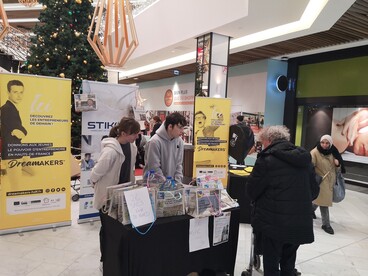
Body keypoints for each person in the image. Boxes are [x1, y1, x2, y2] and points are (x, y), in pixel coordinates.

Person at [246, 125, 319, 276]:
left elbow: (252, 191)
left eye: (263, 142)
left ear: (270, 140)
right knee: (289, 261)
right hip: (299, 222)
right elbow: (314, 191)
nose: (263, 145)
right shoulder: (305, 159)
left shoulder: (266, 160)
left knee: (271, 263)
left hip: (273, 223)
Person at [90, 117, 140, 270]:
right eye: (134, 134)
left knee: (120, 231)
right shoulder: (110, 151)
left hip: (123, 196)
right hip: (107, 199)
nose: (137, 137)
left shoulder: (132, 148)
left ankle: (118, 260)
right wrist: (99, 187)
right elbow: (95, 174)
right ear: (124, 133)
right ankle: (104, 259)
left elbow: (130, 170)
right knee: (107, 231)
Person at [310, 134, 345, 235]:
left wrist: (338, 165)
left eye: (327, 143)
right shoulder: (314, 153)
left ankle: (309, 210)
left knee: (319, 200)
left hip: (330, 181)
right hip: (321, 181)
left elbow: (337, 169)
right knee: (324, 203)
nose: (324, 145)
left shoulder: (333, 152)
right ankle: (326, 224)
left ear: (330, 144)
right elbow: (310, 167)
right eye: (322, 142)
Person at [144, 112, 187, 183]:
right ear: (170, 127)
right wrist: (166, 184)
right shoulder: (154, 142)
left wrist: (177, 182)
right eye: (179, 127)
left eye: (183, 128)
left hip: (172, 186)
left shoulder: (179, 141)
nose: (182, 131)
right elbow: (154, 167)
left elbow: (179, 165)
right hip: (155, 186)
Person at [1, 80, 27, 160]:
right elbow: (20, 133)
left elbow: (21, 131)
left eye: (21, 92)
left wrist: (22, 131)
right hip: (11, 154)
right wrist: (22, 131)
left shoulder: (11, 108)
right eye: (15, 92)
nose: (19, 96)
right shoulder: (8, 109)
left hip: (13, 151)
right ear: (8, 93)